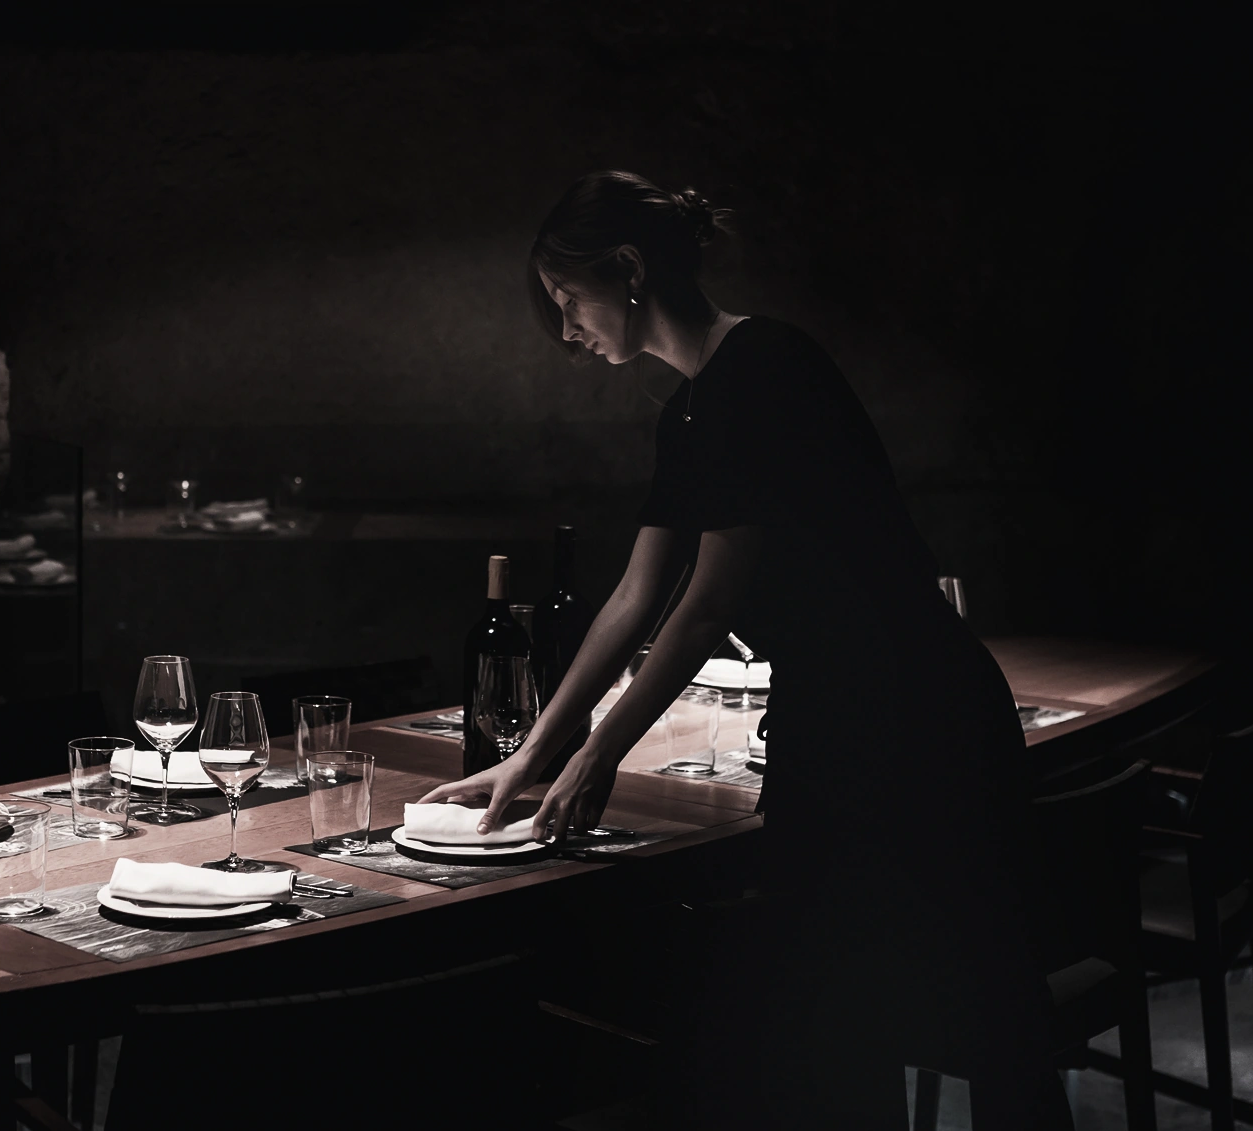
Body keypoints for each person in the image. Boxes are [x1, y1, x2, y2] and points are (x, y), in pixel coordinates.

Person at [418, 170, 1070, 1128]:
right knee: (847, 1024)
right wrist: (533, 754)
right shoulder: (683, 411)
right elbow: (632, 600)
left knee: (984, 1024)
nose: (564, 330)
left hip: (912, 719)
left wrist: (596, 757)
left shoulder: (764, 366)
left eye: (569, 299)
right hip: (834, 720)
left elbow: (699, 604)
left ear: (629, 269)